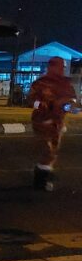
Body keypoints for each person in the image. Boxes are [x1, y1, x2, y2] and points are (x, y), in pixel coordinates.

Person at [27, 56, 78, 191]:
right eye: (58, 66)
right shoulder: (41, 83)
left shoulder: (65, 84)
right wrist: (42, 105)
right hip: (42, 122)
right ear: (51, 66)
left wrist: (69, 106)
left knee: (53, 151)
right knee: (47, 151)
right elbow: (31, 100)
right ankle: (40, 181)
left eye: (63, 67)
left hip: (57, 123)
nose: (61, 69)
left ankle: (43, 175)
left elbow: (72, 100)